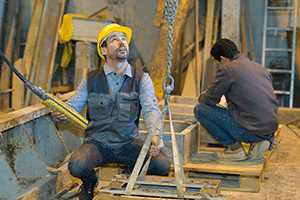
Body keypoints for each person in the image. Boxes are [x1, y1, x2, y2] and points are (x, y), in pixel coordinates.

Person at [51, 23, 170, 200]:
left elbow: (151, 109)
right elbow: (72, 108)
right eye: (115, 39)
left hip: (128, 143)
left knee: (162, 165)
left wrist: (155, 138)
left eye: (124, 39)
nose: (122, 42)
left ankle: (129, 172)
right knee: (76, 166)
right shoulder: (91, 79)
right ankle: (90, 182)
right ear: (104, 50)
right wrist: (60, 114)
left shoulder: (141, 78)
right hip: (98, 144)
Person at [194, 38, 280, 162]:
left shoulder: (227, 68)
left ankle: (235, 150)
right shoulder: (260, 68)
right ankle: (261, 140)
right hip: (269, 129)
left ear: (223, 59)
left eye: (218, 63)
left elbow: (210, 99)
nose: (220, 66)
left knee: (200, 109)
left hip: (252, 130)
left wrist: (202, 96)